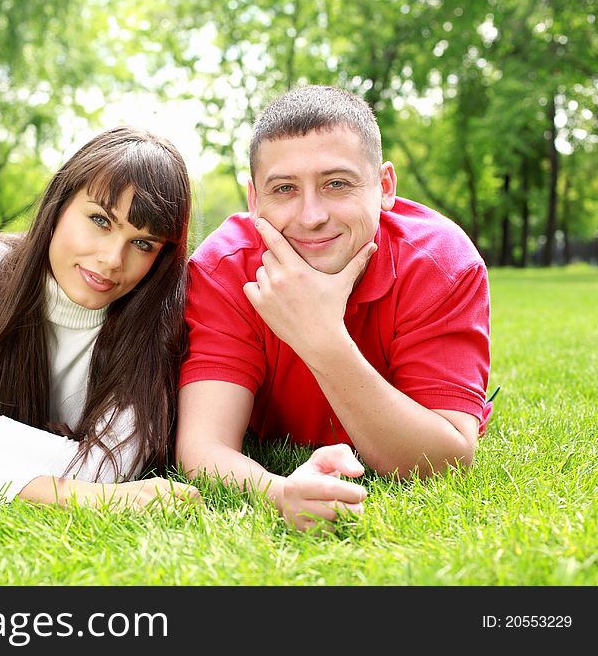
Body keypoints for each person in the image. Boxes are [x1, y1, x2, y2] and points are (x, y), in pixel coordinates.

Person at [176, 85, 491, 531]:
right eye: (284, 189)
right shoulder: (222, 269)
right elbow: (203, 448)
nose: (311, 216)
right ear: (254, 201)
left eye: (336, 184)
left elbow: (445, 460)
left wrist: (321, 338)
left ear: (384, 187)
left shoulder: (441, 264)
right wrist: (278, 492)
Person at [0, 126, 201, 510]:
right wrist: (91, 498)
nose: (111, 260)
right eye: (100, 220)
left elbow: (110, 469)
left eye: (143, 244)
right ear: (59, 204)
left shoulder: (158, 314)